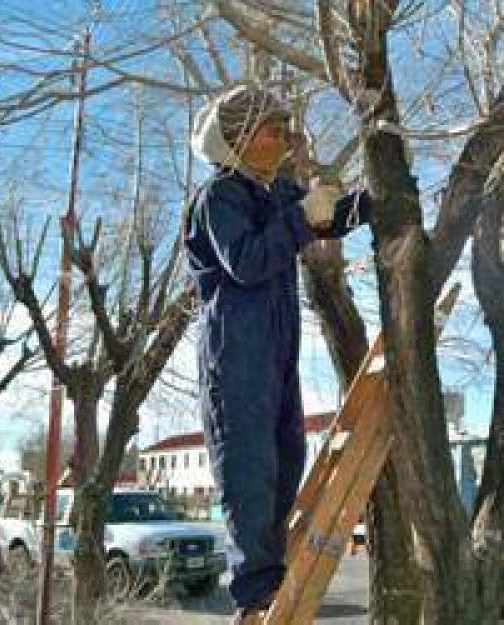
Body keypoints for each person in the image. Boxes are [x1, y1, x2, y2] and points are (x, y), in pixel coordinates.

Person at [183, 85, 371, 623]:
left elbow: (321, 217)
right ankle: (255, 592)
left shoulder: (273, 192)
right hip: (235, 358)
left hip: (277, 352)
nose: (282, 139)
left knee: (289, 455)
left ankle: (272, 571)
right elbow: (246, 260)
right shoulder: (218, 198)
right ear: (239, 138)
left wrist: (363, 201)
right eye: (271, 130)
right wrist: (302, 215)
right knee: (249, 469)